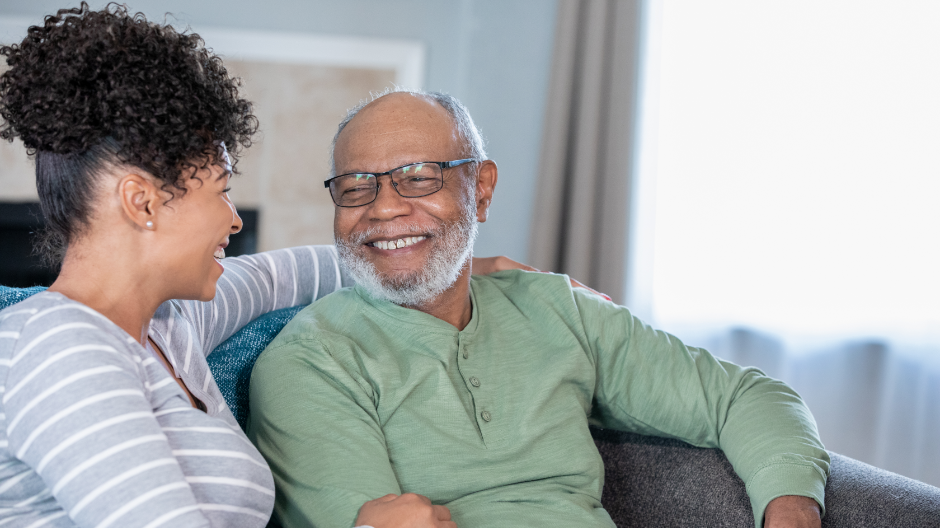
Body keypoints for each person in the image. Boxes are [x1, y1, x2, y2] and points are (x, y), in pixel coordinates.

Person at [0, 5, 520, 527]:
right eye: (222, 190)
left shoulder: (168, 326)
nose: (233, 219)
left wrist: (434, 261)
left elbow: (283, 276)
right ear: (144, 202)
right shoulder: (61, 348)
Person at [248, 89, 831, 528]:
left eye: (418, 179)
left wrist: (789, 504)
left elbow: (744, 397)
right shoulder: (311, 361)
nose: (383, 209)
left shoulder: (559, 310)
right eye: (356, 187)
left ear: (481, 189)